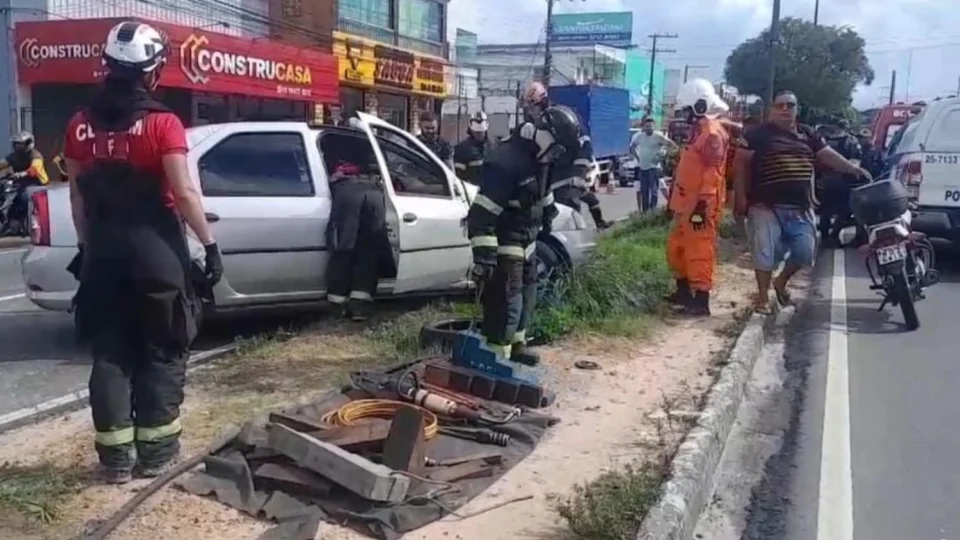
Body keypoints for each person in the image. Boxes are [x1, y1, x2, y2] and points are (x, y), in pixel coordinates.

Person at [62, 21, 223, 484]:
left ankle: (114, 461)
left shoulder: (77, 124)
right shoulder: (162, 123)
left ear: (108, 68)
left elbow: (77, 199)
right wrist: (209, 248)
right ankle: (156, 455)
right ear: (152, 73)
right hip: (157, 254)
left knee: (110, 351)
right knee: (163, 346)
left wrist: (87, 248)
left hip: (103, 255)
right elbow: (185, 193)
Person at [732, 90, 871, 312]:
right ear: (771, 110)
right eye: (779, 105)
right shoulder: (757, 134)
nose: (785, 109)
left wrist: (853, 169)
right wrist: (739, 197)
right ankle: (762, 299)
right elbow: (740, 165)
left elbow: (827, 155)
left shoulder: (809, 134)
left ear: (797, 110)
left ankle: (781, 281)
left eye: (790, 105)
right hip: (765, 206)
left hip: (801, 207)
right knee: (765, 252)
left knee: (805, 253)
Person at [467, 105, 581, 366]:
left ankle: (517, 346)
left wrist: (549, 213)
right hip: (506, 244)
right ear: (543, 133)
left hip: (528, 241)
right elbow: (481, 215)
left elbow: (542, 192)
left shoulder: (539, 160)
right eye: (558, 146)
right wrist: (484, 258)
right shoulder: (506, 162)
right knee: (507, 305)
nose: (558, 153)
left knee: (527, 300)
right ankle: (495, 360)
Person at [663, 79, 731, 317]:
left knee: (699, 251)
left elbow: (712, 174)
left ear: (699, 106)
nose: (684, 115)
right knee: (676, 249)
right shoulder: (700, 132)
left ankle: (700, 301)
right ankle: (683, 292)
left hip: (700, 204)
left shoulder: (712, 134)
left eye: (687, 110)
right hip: (686, 203)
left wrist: (702, 205)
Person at [520, 82, 610, 229]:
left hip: (568, 174)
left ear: (542, 102)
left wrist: (579, 169)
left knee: (566, 216)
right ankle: (598, 224)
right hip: (554, 176)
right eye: (529, 108)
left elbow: (583, 142)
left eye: (533, 106)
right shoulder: (538, 122)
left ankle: (581, 240)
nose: (531, 111)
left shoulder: (562, 118)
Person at [325, 154, 391, 322]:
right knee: (369, 250)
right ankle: (359, 307)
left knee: (343, 249)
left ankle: (337, 307)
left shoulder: (337, 151)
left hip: (345, 194)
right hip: (374, 193)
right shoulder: (372, 146)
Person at [817, 119, 865, 247]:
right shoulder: (851, 141)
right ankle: (834, 236)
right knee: (845, 209)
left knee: (826, 209)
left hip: (825, 179)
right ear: (847, 127)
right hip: (844, 180)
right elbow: (855, 161)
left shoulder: (825, 140)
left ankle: (825, 236)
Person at [0, 131, 50, 227]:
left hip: (38, 185)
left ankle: (24, 222)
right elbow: (2, 164)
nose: (17, 147)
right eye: (15, 144)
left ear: (28, 144)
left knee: (23, 196)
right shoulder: (13, 156)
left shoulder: (35, 155)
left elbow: (34, 169)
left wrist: (23, 173)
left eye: (20, 144)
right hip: (22, 183)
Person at [630, 117, 677, 213]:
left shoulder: (658, 136)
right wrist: (638, 158)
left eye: (650, 126)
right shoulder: (640, 136)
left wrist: (663, 156)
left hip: (654, 168)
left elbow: (672, 145)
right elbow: (632, 147)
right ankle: (645, 212)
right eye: (646, 126)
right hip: (643, 168)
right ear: (643, 127)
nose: (648, 128)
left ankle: (653, 210)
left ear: (654, 127)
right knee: (644, 191)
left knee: (654, 191)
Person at [453, 111, 494, 185]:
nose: (479, 134)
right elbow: (458, 175)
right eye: (477, 132)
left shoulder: (492, 146)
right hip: (472, 190)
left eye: (481, 131)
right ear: (471, 130)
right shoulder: (462, 149)